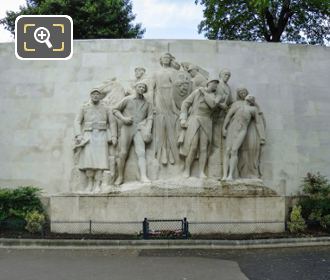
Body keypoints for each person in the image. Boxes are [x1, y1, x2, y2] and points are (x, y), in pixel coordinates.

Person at [74, 86, 117, 192]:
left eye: (97, 94)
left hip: (102, 135)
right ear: (90, 95)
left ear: (100, 96)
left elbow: (112, 122)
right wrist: (79, 135)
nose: (95, 96)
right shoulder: (84, 107)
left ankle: (98, 184)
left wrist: (114, 136)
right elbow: (77, 121)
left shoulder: (106, 108)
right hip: (88, 135)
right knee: (88, 161)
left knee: (101, 162)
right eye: (93, 94)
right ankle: (90, 183)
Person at [179, 78, 225, 178]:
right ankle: (187, 170)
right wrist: (183, 118)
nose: (215, 86)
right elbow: (185, 104)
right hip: (194, 119)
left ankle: (201, 172)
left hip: (207, 121)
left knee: (204, 147)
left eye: (217, 84)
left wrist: (204, 93)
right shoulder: (197, 92)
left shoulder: (217, 96)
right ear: (209, 83)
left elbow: (212, 105)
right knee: (193, 146)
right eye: (214, 83)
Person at [113, 81, 153, 185]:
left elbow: (150, 118)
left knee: (141, 152)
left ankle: (143, 176)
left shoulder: (147, 103)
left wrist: (148, 129)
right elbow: (115, 110)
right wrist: (124, 119)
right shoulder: (127, 99)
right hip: (127, 128)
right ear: (136, 88)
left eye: (143, 87)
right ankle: (120, 177)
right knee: (123, 153)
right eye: (139, 86)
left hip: (139, 128)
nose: (141, 89)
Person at [222, 95, 266, 181]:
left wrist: (262, 136)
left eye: (252, 97)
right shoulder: (237, 105)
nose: (250, 97)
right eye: (249, 96)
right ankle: (224, 175)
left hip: (243, 129)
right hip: (232, 127)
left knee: (234, 150)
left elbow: (258, 123)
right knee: (227, 150)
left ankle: (230, 175)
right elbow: (228, 116)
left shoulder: (253, 109)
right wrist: (224, 128)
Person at [151, 53, 179, 165]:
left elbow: (178, 87)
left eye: (168, 58)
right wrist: (152, 104)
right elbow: (151, 90)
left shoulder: (174, 72)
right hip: (159, 97)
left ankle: (171, 152)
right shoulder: (156, 73)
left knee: (171, 125)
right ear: (161, 60)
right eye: (164, 58)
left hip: (171, 97)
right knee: (161, 125)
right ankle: (162, 152)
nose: (166, 59)